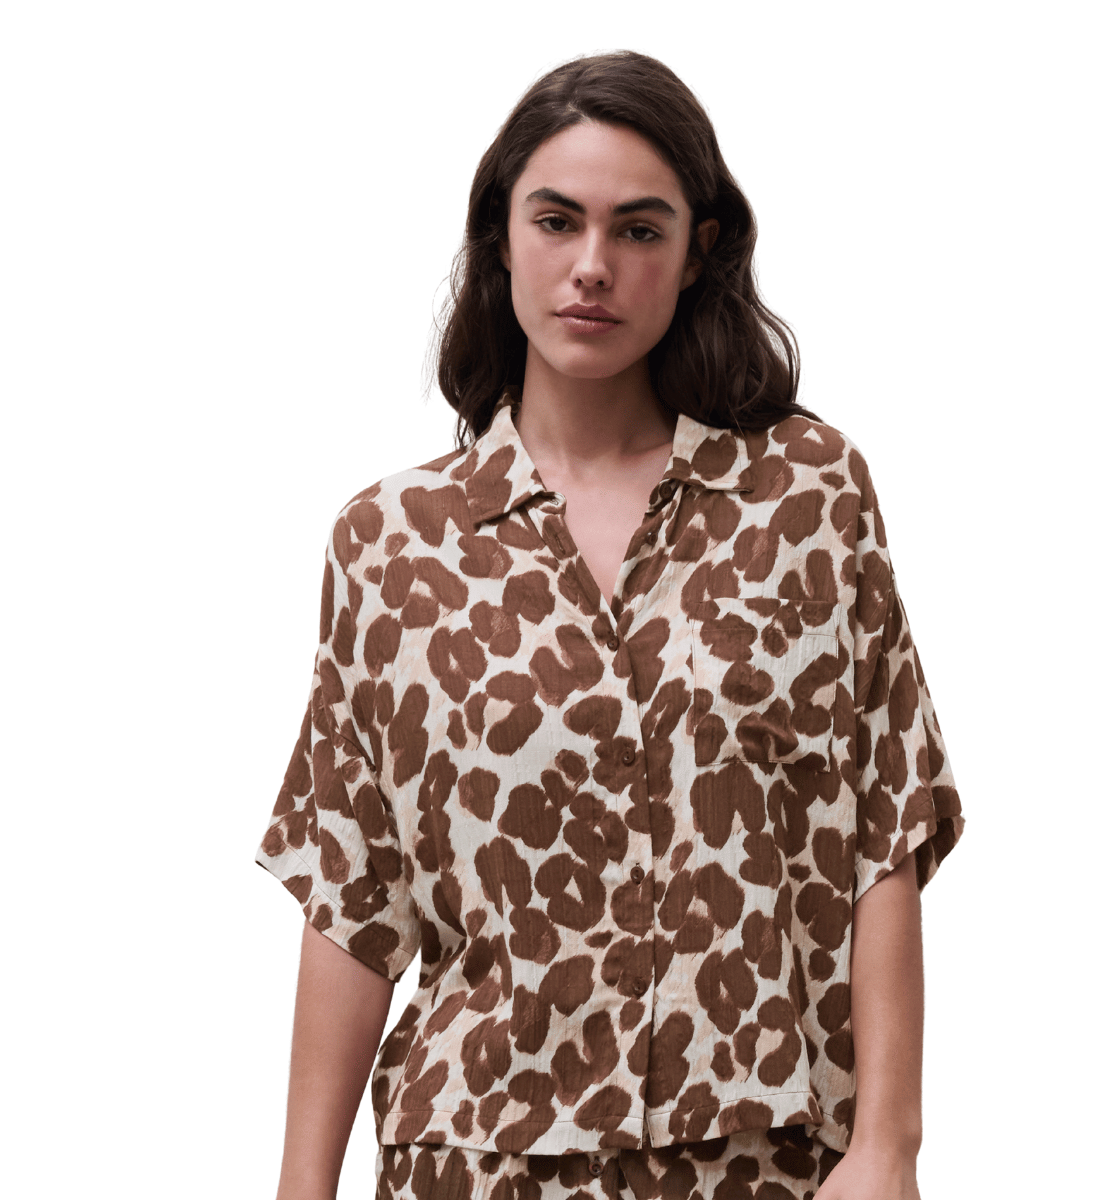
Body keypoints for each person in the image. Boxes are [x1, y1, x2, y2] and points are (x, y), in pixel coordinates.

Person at [257, 50, 964, 1200]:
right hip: (473, 1161)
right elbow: (356, 898)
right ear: (501, 237)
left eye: (639, 229)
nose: (593, 265)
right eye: (557, 221)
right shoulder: (391, 544)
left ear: (698, 252)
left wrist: (889, 1142)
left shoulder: (805, 497)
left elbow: (885, 822)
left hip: (761, 1160)